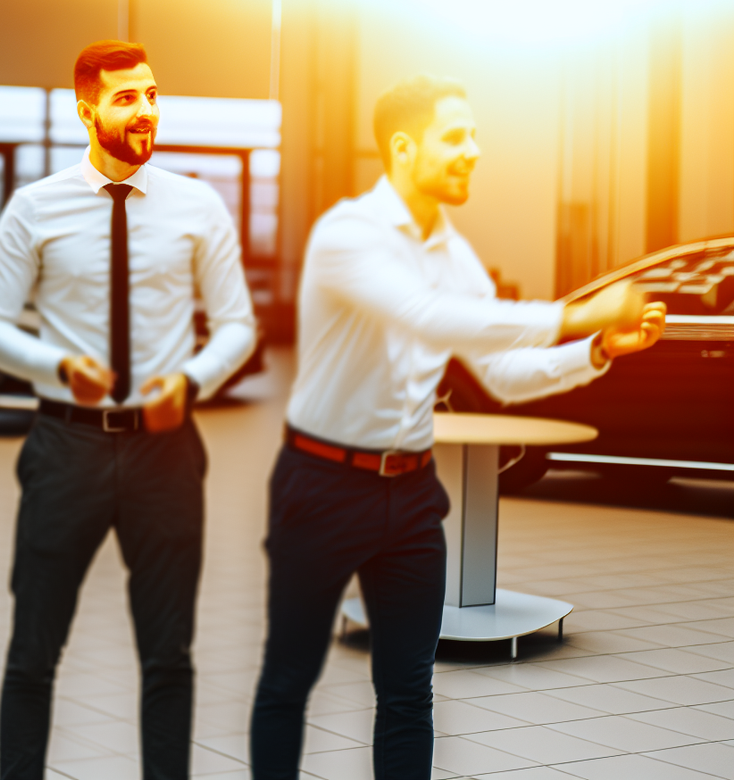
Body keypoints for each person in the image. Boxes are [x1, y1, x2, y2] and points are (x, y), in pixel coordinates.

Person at [248, 74, 666, 780]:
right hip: (320, 486)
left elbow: (499, 371)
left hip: (410, 496)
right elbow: (430, 316)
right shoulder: (349, 234)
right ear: (405, 147)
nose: (474, 151)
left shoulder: (451, 250)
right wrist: (578, 314)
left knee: (409, 692)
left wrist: (594, 352)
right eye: (456, 136)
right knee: (289, 681)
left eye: (476, 136)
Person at [0, 40, 258, 780]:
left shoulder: (197, 204)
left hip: (166, 450)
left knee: (169, 656)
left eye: (153, 94)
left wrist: (190, 383)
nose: (146, 110)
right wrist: (58, 366)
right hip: (67, 447)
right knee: (33, 651)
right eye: (128, 97)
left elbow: (237, 326)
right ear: (87, 109)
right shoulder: (36, 207)